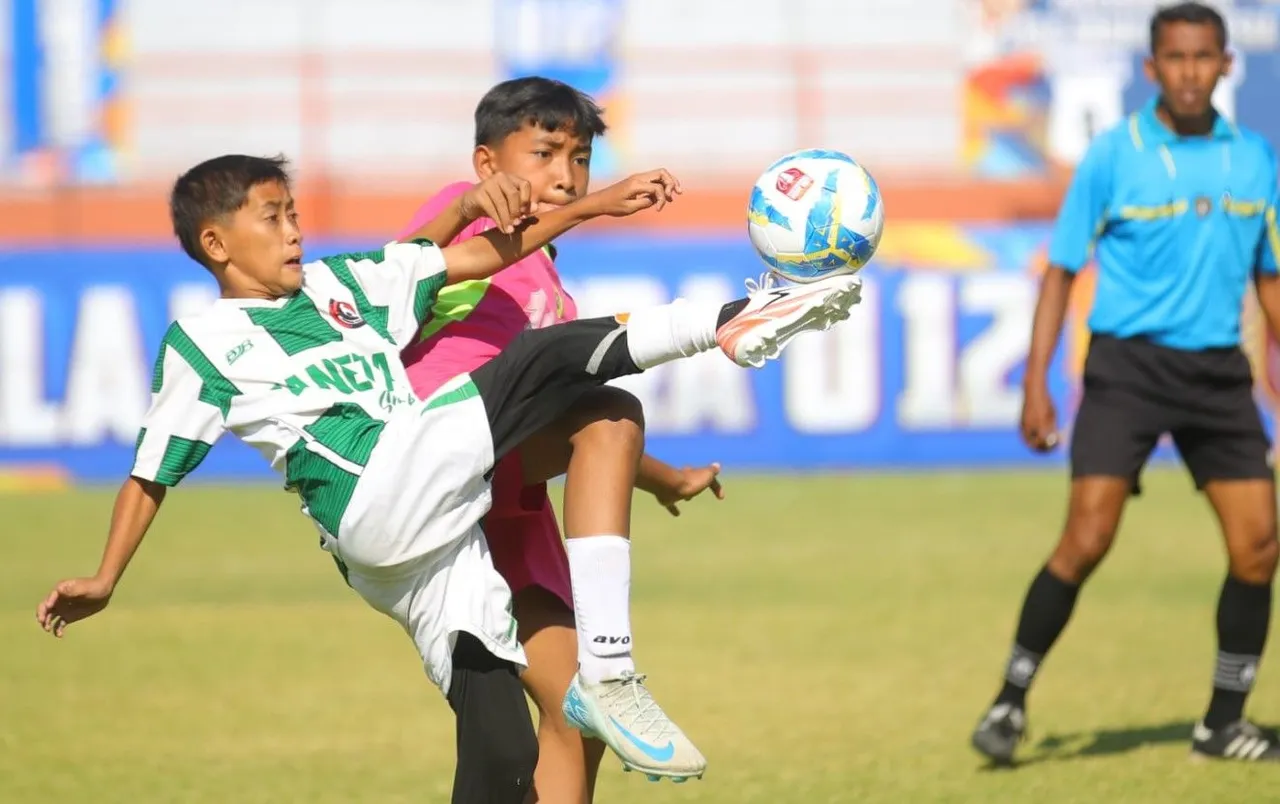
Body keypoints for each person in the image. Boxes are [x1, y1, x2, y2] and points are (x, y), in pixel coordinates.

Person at [34, 153, 865, 802]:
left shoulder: (345, 284)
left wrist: (587, 207)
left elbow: (480, 255)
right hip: (373, 492)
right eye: (271, 217)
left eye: (293, 213)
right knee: (544, 360)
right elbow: (152, 472)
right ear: (215, 243)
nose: (294, 231)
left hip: (422, 550)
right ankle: (736, 322)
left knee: (503, 750)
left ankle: (599, 685)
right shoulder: (205, 343)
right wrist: (107, 577)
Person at [971, 1, 1280, 765]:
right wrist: (1036, 384)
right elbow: (1060, 271)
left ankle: (1221, 723)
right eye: (1174, 59)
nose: (1189, 72)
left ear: (1226, 65)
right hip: (1127, 371)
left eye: (1204, 57)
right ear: (1151, 69)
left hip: (1217, 376)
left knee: (1259, 549)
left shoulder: (1256, 159)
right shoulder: (1113, 155)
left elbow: (1270, 282)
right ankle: (1010, 700)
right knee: (1087, 539)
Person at [401, 76, 723, 801]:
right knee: (606, 403)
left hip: (510, 512)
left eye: (578, 159)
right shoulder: (464, 213)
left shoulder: (550, 288)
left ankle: (605, 682)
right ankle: (616, 666)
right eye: (544, 152)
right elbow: (398, 269)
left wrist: (670, 480)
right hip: (444, 474)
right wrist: (592, 206)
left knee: (574, 716)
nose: (565, 174)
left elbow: (575, 427)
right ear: (487, 164)